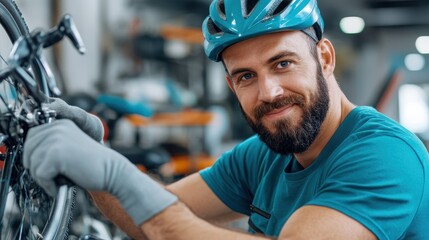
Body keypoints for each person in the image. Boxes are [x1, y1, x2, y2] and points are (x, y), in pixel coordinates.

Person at [23, 0, 429, 239]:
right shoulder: (261, 156)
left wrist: (116, 175)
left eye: (282, 63)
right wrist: (98, 163)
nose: (268, 92)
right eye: (246, 76)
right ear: (231, 86)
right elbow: (152, 218)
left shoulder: (385, 154)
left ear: (324, 57)